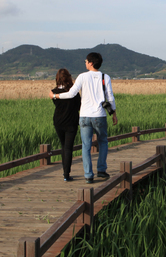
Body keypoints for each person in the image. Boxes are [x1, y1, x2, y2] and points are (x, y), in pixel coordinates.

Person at [50, 52, 118, 184]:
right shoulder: (105, 77)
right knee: (103, 142)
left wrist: (55, 96)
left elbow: (71, 94)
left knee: (86, 145)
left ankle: (88, 175)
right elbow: (110, 97)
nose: (85, 63)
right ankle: (102, 170)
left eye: (86, 61)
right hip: (99, 115)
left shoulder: (82, 76)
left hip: (84, 116)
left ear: (91, 62)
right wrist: (114, 113)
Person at [51, 69, 81, 182]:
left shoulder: (53, 92)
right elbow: (79, 106)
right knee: (68, 147)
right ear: (69, 78)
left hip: (58, 121)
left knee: (63, 146)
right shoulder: (74, 93)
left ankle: (65, 171)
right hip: (71, 122)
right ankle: (66, 174)